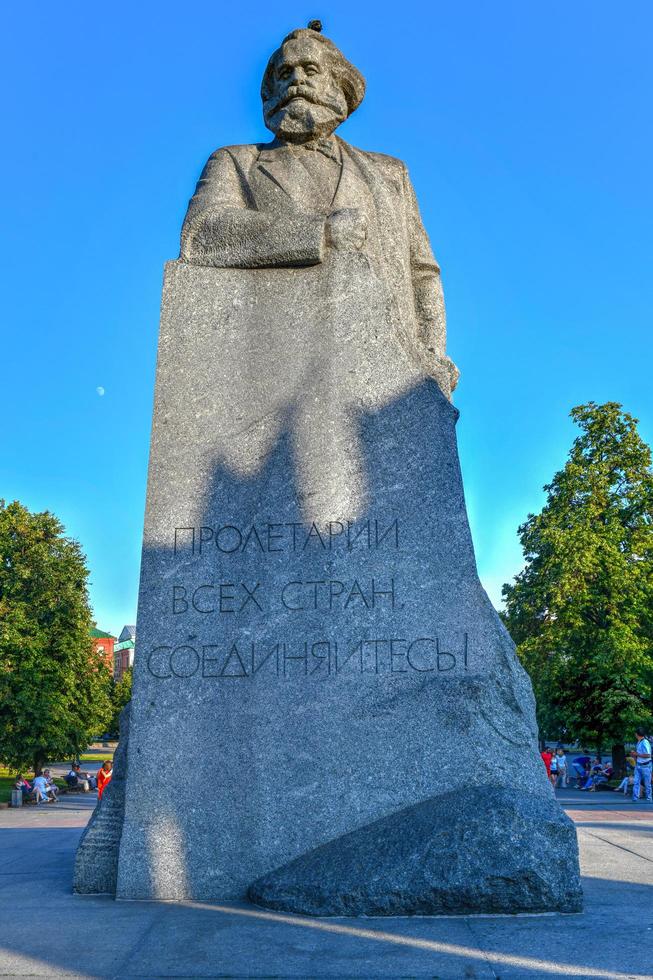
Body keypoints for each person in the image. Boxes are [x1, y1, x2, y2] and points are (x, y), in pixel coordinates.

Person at [632, 727, 652, 803]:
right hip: (639, 765)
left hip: (645, 766)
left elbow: (648, 755)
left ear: (637, 734)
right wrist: (635, 755)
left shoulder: (645, 742)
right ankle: (635, 798)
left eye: (635, 733)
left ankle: (649, 798)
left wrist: (637, 754)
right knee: (636, 782)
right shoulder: (639, 742)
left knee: (647, 783)